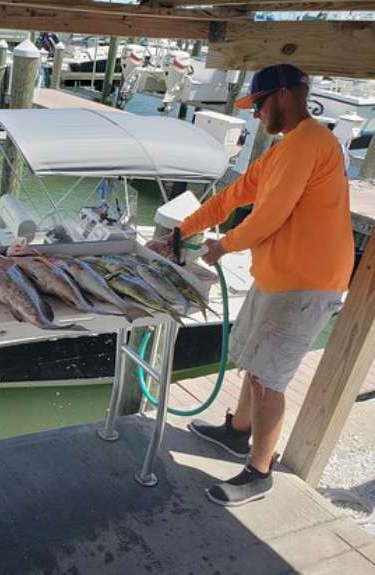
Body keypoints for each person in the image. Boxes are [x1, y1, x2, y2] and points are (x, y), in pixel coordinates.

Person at [149, 63, 354, 506]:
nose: (256, 115)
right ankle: (237, 432)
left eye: (258, 105)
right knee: (255, 363)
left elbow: (268, 217)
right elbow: (232, 196)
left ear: (282, 95)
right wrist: (180, 233)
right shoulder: (285, 148)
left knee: (268, 378)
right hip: (279, 277)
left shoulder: (310, 142)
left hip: (306, 283)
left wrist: (224, 246)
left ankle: (260, 472)